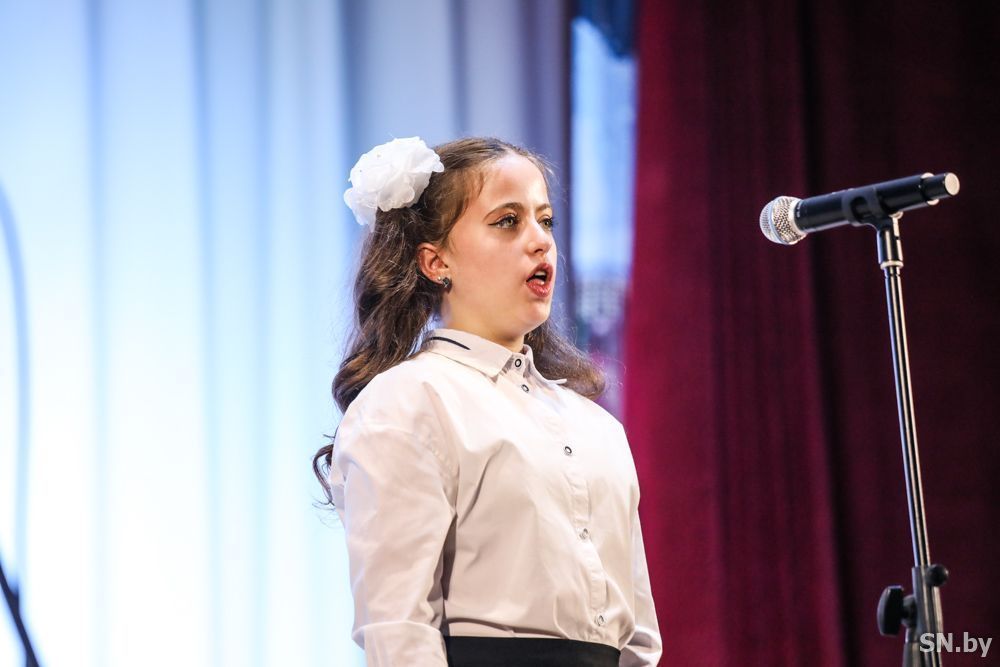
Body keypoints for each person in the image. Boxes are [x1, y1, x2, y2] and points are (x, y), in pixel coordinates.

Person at [313, 136, 662, 667]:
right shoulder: (409, 401)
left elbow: (637, 636)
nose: (540, 241)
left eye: (546, 221)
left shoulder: (597, 427)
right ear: (435, 261)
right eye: (507, 221)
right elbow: (399, 628)